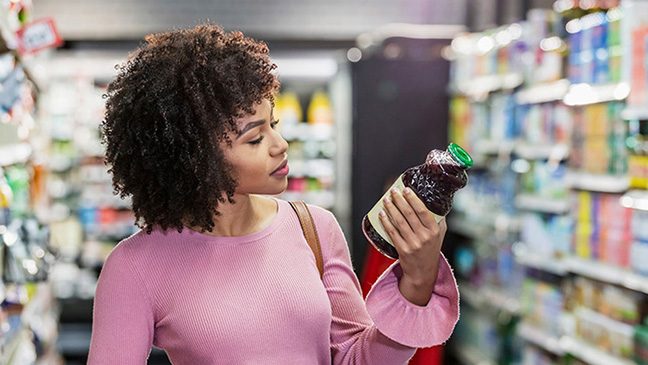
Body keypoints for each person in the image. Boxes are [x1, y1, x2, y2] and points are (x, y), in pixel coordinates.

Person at [88, 23, 459, 364]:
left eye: (274, 124)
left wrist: (418, 279)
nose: (280, 145)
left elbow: (355, 359)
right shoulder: (135, 267)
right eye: (255, 137)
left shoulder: (314, 228)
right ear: (194, 157)